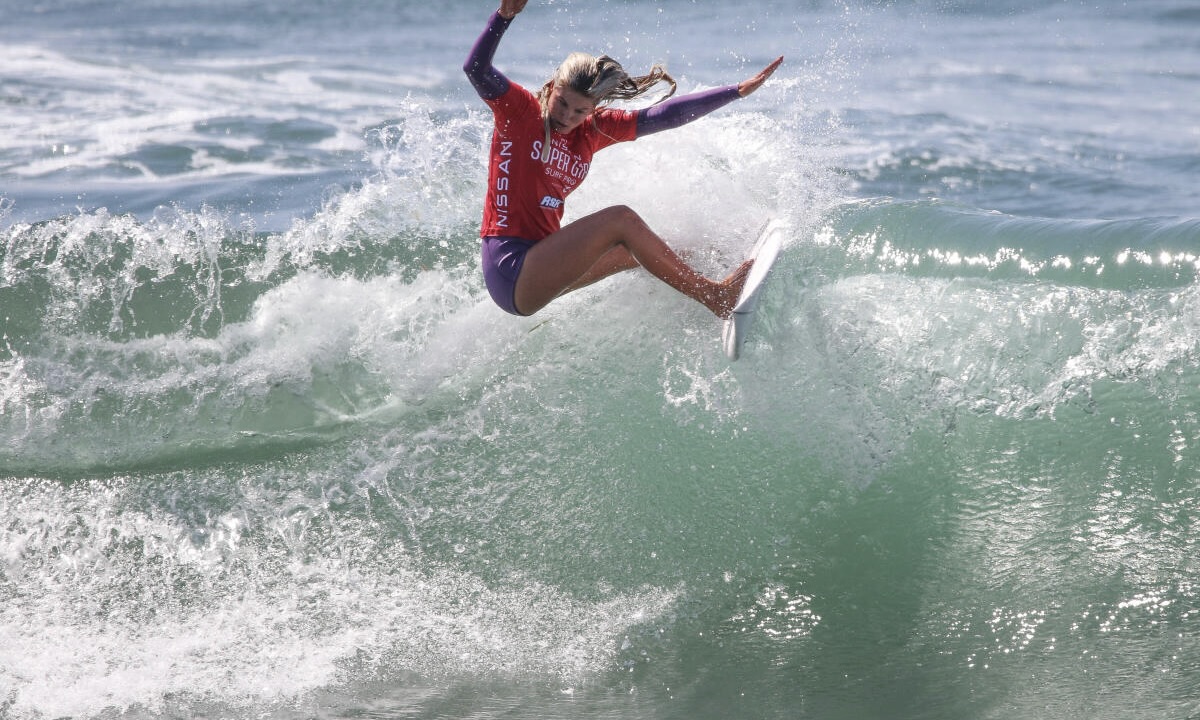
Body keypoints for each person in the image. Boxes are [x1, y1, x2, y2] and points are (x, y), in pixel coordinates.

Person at [464, 0, 783, 318]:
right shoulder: (519, 113)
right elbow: (475, 68)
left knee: (632, 251)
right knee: (621, 220)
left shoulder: (591, 131)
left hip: (544, 257)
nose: (566, 116)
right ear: (551, 88)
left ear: (593, 109)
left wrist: (735, 91)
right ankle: (715, 296)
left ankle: (713, 272)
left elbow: (662, 116)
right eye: (562, 103)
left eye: (580, 111)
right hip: (512, 268)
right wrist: (503, 18)